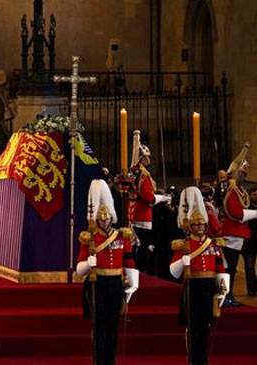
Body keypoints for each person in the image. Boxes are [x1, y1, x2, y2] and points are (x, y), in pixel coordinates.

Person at [75, 179, 139, 365]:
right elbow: (79, 269)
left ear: (111, 216)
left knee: (113, 325)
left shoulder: (121, 236)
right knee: (99, 324)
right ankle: (99, 359)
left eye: (107, 217)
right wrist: (89, 263)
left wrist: (132, 283)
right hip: (97, 284)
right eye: (101, 218)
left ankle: (110, 360)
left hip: (115, 284)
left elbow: (128, 260)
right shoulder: (89, 238)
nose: (104, 220)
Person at [170, 186, 229, 365]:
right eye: (195, 224)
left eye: (202, 224)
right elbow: (173, 271)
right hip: (192, 288)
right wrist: (183, 262)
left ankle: (203, 359)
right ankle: (193, 359)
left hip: (209, 288)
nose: (199, 227)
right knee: (193, 327)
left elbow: (220, 268)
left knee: (205, 327)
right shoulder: (184, 244)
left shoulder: (213, 244)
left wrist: (222, 290)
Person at [219, 142, 257, 307]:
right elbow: (236, 214)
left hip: (237, 235)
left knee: (232, 268)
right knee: (229, 268)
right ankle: (226, 296)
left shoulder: (238, 190)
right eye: (242, 171)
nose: (245, 173)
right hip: (231, 234)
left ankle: (229, 295)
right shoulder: (232, 190)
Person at [128, 130, 170, 273]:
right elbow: (150, 199)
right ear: (142, 158)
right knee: (144, 249)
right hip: (143, 215)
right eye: (146, 158)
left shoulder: (131, 173)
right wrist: (164, 198)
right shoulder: (144, 174)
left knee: (135, 247)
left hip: (132, 213)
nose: (149, 160)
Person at [244, 187, 257, 296]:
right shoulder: (246, 208)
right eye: (254, 194)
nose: (256, 196)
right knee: (249, 266)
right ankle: (251, 289)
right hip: (249, 243)